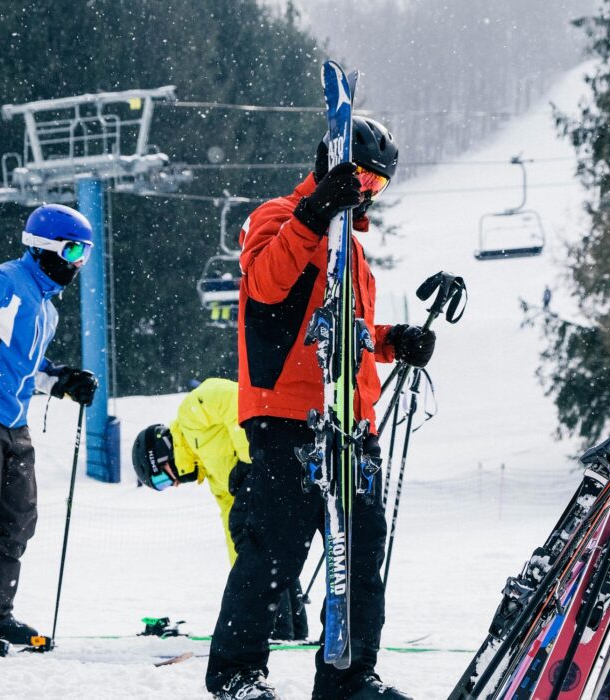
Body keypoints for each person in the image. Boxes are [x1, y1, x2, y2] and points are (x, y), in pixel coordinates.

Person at [205, 117, 436, 700]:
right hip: (287, 416)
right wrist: (313, 212)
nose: (363, 190)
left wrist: (392, 341)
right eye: (357, 175)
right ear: (327, 163)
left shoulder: (352, 252)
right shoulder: (279, 217)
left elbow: (343, 332)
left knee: (360, 557)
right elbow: (265, 285)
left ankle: (348, 678)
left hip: (353, 422)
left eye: (376, 185)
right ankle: (236, 674)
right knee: (273, 549)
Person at [0, 204, 98, 645]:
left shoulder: (46, 308)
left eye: (84, 254)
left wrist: (63, 380)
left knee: (16, 521)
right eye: (72, 251)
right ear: (43, 247)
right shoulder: (5, 282)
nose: (77, 264)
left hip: (15, 421)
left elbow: (27, 369)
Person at [131, 377, 308, 640]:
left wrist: (249, 460)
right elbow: (232, 530)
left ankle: (274, 625)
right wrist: (241, 575)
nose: (174, 484)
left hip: (272, 453)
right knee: (255, 540)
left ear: (161, 454)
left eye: (162, 479)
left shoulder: (190, 414)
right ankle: (289, 626)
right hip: (268, 478)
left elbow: (234, 400)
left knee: (255, 534)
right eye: (162, 486)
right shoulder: (214, 475)